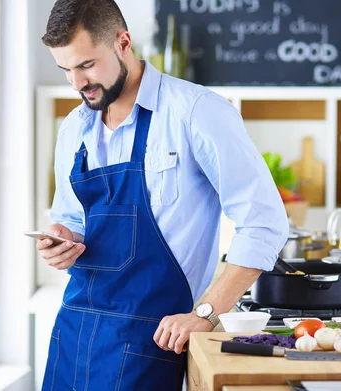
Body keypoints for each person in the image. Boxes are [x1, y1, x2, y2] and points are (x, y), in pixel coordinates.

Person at [37, 0, 288, 389]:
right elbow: (71, 218)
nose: (76, 83)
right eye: (65, 69)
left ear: (123, 42)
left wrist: (206, 313)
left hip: (150, 338)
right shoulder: (75, 127)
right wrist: (64, 240)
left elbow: (264, 222)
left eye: (86, 65)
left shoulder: (196, 112)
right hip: (75, 328)